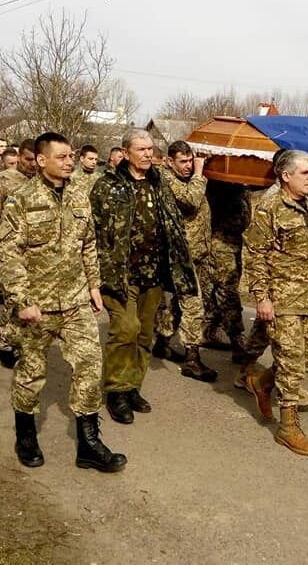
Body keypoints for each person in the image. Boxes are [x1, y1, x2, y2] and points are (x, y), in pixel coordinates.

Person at [0, 132, 127, 473]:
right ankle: (25, 435)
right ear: (41, 161)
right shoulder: (21, 200)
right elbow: (9, 255)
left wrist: (94, 285)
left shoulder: (80, 195)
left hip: (75, 301)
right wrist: (22, 300)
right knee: (31, 372)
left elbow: (88, 244)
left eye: (72, 156)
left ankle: (88, 443)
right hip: (36, 307)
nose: (70, 161)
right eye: (63, 157)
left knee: (89, 367)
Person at [90, 129, 196, 425]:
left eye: (151, 148)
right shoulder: (106, 186)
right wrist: (92, 276)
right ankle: (116, 391)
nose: (148, 154)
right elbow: (92, 231)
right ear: (125, 153)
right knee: (125, 329)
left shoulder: (160, 183)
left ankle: (133, 386)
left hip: (154, 273)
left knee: (144, 334)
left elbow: (174, 221)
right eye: (142, 149)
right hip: (120, 274)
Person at [242, 150, 308, 457]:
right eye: (306, 173)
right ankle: (288, 427)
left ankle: (262, 383)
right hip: (280, 297)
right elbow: (255, 255)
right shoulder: (269, 209)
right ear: (286, 176)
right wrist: (262, 297)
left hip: (306, 295)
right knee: (292, 360)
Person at [151, 141, 218, 382]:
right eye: (183, 162)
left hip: (196, 252)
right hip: (180, 254)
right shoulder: (167, 179)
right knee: (193, 304)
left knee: (179, 304)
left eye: (191, 161)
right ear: (170, 162)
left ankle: (162, 341)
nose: (189, 166)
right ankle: (192, 358)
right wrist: (200, 173)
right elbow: (190, 201)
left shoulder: (185, 178)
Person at [0, 145, 35, 366]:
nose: (32, 164)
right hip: (8, 250)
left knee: (30, 299)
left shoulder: (41, 182)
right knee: (14, 300)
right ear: (19, 157)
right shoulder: (3, 182)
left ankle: (24, 342)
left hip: (33, 251)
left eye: (35, 159)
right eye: (28, 159)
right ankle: (5, 341)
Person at [203, 179, 250, 355]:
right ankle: (237, 339)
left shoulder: (240, 186)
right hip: (221, 245)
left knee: (216, 292)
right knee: (227, 292)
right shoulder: (221, 184)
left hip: (233, 244)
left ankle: (208, 331)